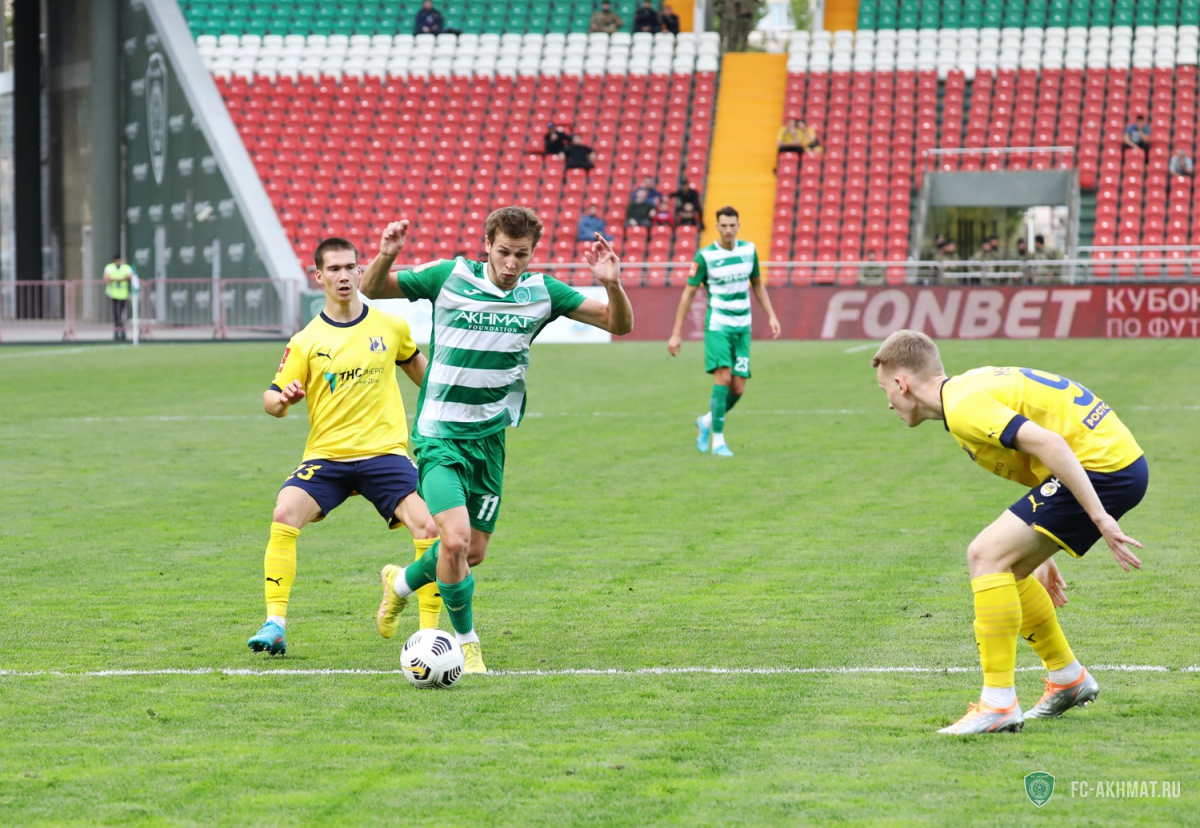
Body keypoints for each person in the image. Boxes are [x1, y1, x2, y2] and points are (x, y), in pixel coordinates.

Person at [359, 207, 634, 673]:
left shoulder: (542, 292)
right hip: (439, 435)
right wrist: (386, 255)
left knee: (472, 552)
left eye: (521, 255)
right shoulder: (449, 277)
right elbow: (373, 288)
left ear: (532, 253)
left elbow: (618, 323)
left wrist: (612, 284)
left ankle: (400, 583)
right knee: (454, 541)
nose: (511, 263)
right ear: (486, 245)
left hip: (489, 442)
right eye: (503, 252)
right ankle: (466, 645)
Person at [871, 330, 1147, 734]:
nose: (888, 403)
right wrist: (1043, 546)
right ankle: (1067, 678)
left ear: (901, 383)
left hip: (1103, 468)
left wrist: (1100, 517)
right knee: (1007, 570)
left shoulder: (963, 406)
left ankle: (998, 704)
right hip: (1110, 461)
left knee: (985, 556)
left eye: (885, 391)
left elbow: (1050, 443)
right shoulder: (964, 392)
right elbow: (1041, 455)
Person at [248, 237, 441, 658]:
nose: (343, 276)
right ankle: (275, 624)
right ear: (319, 277)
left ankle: (430, 636)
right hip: (328, 457)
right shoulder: (306, 340)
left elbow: (425, 378)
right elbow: (271, 399)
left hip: (385, 454)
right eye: (333, 269)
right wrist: (283, 400)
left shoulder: (390, 326)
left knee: (429, 527)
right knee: (284, 512)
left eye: (350, 267)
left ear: (359, 272)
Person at [667, 206, 781, 457]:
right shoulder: (705, 256)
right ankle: (718, 441)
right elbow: (688, 294)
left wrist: (771, 315)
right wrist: (676, 332)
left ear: (738, 226)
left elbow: (758, 285)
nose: (728, 230)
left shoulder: (749, 250)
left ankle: (706, 421)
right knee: (724, 378)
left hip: (743, 327)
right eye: (724, 225)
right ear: (717, 227)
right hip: (718, 325)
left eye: (732, 225)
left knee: (738, 387)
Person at [103, 253, 134, 342]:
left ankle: (119, 332)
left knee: (119, 314)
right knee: (116, 314)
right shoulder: (109, 267)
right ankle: (119, 332)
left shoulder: (126, 267)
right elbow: (106, 278)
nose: (118, 262)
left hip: (123, 295)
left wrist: (115, 279)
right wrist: (120, 279)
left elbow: (130, 277)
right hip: (113, 294)